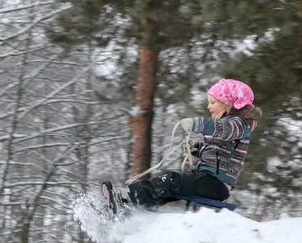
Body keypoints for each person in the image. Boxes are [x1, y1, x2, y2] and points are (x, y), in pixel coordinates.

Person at [102, 78, 262, 212]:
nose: (208, 106)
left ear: (228, 104)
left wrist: (196, 123)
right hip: (209, 179)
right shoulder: (231, 125)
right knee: (165, 190)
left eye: (213, 102)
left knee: (170, 180)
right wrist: (198, 149)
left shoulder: (239, 125)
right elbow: (220, 154)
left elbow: (223, 130)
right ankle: (133, 210)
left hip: (216, 184)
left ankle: (125, 197)